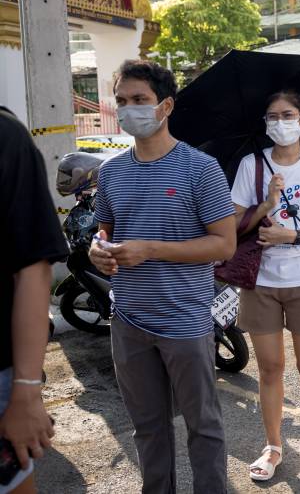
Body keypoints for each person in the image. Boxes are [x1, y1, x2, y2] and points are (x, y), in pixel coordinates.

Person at [88, 60, 236, 493]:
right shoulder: (112, 171)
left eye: (139, 100)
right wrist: (99, 250)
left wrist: (151, 249)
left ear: (165, 106)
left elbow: (223, 244)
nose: (129, 109)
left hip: (185, 322)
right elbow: (105, 230)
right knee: (146, 428)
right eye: (121, 101)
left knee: (203, 426)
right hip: (129, 321)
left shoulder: (200, 169)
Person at [230, 90, 300, 482]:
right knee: (270, 367)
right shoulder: (250, 164)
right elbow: (234, 223)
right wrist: (266, 202)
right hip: (259, 280)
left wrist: (290, 237)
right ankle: (273, 446)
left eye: (287, 114)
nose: (280, 122)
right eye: (272, 116)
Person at [0, 108, 68, 494]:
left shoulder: (6, 136)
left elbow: (33, 266)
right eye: (123, 100)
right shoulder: (113, 172)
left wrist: (26, 392)